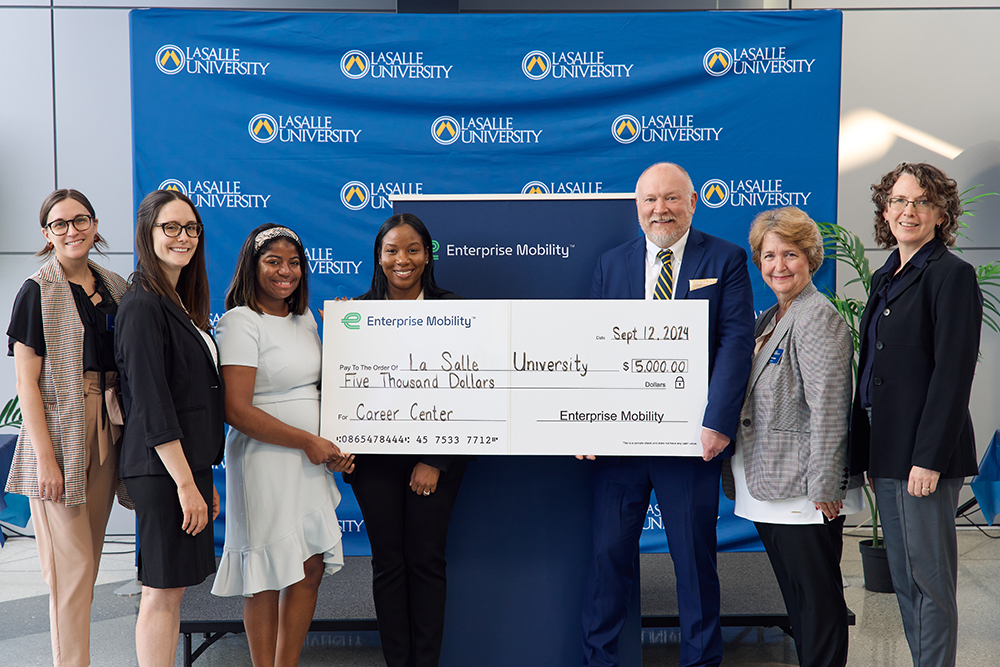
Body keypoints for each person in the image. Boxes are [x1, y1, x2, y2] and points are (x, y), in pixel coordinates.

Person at [584, 162, 755, 667]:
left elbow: (736, 342)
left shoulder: (725, 259)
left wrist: (718, 421)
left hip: (690, 443)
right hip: (620, 448)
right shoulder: (610, 265)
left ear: (692, 202)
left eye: (672, 199)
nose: (660, 209)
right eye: (649, 200)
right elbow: (592, 348)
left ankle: (701, 662)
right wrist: (584, 422)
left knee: (694, 564)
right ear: (636, 207)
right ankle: (600, 660)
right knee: (607, 560)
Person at [849, 163, 982, 667]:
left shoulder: (952, 275)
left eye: (921, 202)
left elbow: (952, 377)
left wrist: (926, 459)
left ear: (940, 213)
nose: (909, 211)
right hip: (887, 453)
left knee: (929, 579)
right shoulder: (887, 275)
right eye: (899, 200)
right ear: (885, 209)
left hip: (924, 459)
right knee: (904, 580)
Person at [211, 223, 353, 667]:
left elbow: (324, 387)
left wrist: (339, 442)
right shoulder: (240, 321)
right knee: (266, 576)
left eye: (294, 262)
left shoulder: (307, 318)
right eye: (273, 261)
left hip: (309, 459)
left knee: (308, 569)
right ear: (253, 267)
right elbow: (235, 409)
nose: (285, 271)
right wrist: (307, 441)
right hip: (264, 459)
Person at [733, 206, 863, 667]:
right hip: (772, 482)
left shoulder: (815, 315)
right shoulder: (772, 315)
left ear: (810, 258)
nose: (778, 265)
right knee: (799, 602)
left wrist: (826, 483)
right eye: (769, 256)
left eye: (790, 254)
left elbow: (830, 404)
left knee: (819, 606)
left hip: (805, 491)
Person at [5, 189, 128, 667]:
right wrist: (47, 461)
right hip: (59, 434)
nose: (71, 230)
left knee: (88, 563)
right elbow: (26, 385)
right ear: (46, 234)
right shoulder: (37, 289)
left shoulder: (115, 286)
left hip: (108, 427)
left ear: (95, 226)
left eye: (81, 220)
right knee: (71, 568)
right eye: (60, 223)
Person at [347, 213, 469, 667]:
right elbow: (341, 390)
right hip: (373, 463)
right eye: (392, 250)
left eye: (413, 249)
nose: (403, 259)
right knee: (388, 565)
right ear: (379, 258)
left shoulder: (456, 311)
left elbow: (472, 393)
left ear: (427, 254)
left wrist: (435, 459)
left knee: (426, 561)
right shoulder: (353, 314)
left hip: (436, 463)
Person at [114, 190, 225, 667]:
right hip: (162, 472)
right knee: (160, 592)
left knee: (172, 591)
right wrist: (186, 483)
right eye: (171, 227)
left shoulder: (176, 300)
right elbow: (153, 404)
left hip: (184, 467)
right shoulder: (142, 305)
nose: (184, 237)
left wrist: (200, 476)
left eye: (191, 228)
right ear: (147, 233)